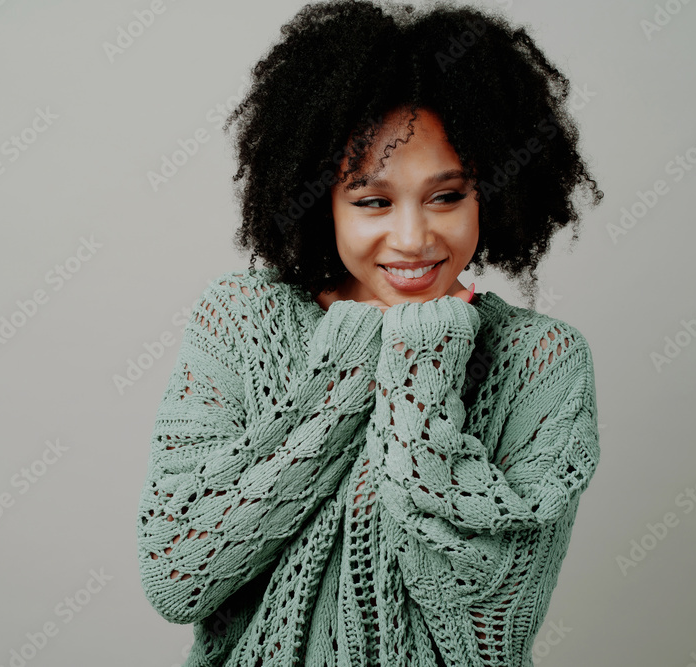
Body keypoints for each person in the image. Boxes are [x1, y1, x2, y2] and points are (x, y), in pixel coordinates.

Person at [136, 1, 604, 665]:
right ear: (320, 197)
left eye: (447, 196)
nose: (413, 238)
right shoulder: (240, 320)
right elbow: (177, 572)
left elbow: (487, 637)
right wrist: (351, 370)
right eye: (373, 201)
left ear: (492, 193)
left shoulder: (542, 362)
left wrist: (424, 366)